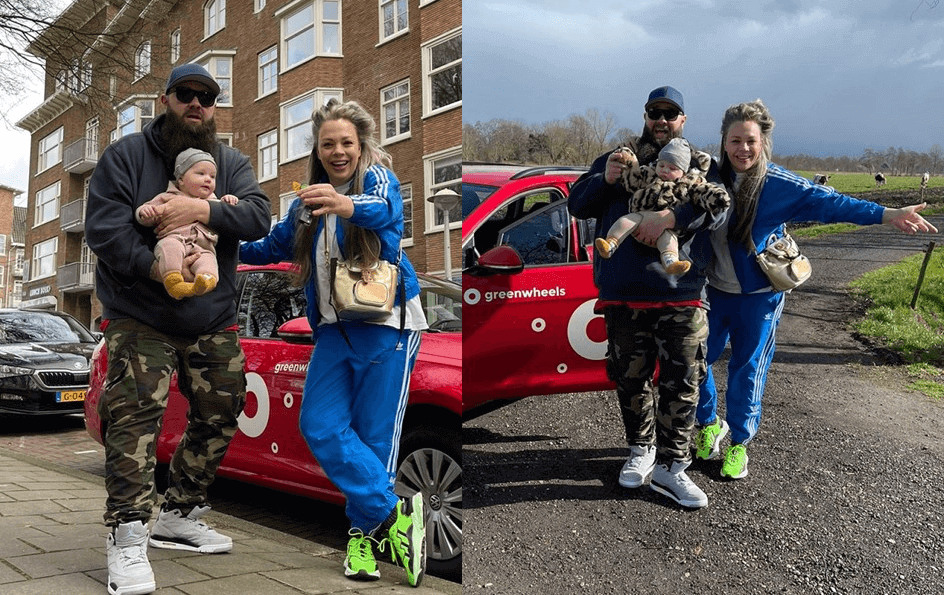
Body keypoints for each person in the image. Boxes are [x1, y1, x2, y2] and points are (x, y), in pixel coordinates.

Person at [85, 63, 271, 595]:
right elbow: (104, 229)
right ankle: (126, 532)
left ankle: (178, 514)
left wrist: (201, 207)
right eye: (186, 95)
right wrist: (157, 271)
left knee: (223, 409)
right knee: (134, 417)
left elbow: (258, 216)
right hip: (140, 312)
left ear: (214, 109)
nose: (197, 105)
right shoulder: (125, 157)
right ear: (165, 101)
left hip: (211, 316)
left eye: (206, 98)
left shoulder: (230, 163)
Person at [692, 99, 938, 480]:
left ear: (763, 143)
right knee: (696, 362)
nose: (743, 149)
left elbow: (830, 203)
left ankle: (739, 443)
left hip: (759, 299)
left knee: (746, 368)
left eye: (751, 141)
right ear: (723, 141)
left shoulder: (776, 184)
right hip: (715, 292)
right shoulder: (708, 179)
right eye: (735, 140)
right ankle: (710, 424)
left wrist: (887, 215)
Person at [239, 98, 429, 586]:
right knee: (320, 426)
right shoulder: (305, 204)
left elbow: (386, 212)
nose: (338, 151)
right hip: (332, 332)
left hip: (387, 327)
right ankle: (394, 516)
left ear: (360, 143)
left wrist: (345, 203)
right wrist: (219, 231)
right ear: (317, 150)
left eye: (346, 142)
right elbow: (268, 248)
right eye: (328, 144)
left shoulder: (376, 181)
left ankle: (361, 545)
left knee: (373, 438)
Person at [568, 85, 727, 509]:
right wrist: (604, 180)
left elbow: (718, 207)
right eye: (655, 112)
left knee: (684, 381)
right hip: (624, 295)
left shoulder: (697, 165)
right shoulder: (619, 158)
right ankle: (641, 450)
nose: (662, 120)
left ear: (683, 120)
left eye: (670, 114)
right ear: (645, 115)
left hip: (682, 294)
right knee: (630, 378)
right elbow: (576, 203)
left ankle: (672, 468)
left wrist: (670, 217)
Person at [595, 138, 730, 283]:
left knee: (669, 241)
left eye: (672, 168)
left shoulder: (689, 183)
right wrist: (625, 161)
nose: (665, 170)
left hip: (668, 231)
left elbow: (704, 194)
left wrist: (717, 198)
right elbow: (632, 178)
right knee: (625, 221)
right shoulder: (649, 174)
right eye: (662, 165)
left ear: (684, 172)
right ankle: (611, 244)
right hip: (639, 216)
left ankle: (671, 263)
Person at [136, 148, 239, 299]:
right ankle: (174, 283)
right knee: (170, 250)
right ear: (181, 179)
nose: (208, 179)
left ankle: (204, 282)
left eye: (213, 176)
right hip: (174, 238)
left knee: (208, 262)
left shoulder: (213, 202)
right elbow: (148, 213)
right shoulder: (167, 197)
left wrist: (229, 200)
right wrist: (145, 212)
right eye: (201, 173)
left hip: (203, 247)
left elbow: (226, 215)